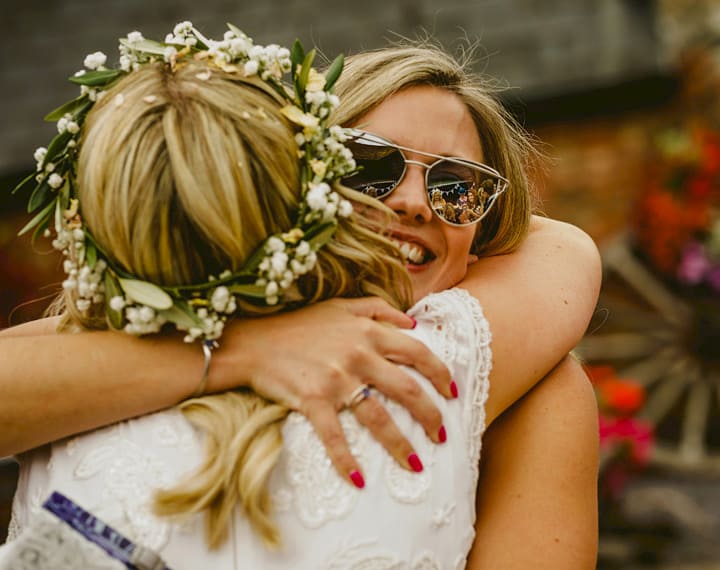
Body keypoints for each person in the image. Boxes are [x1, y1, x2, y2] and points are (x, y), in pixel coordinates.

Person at [1, 25, 602, 568]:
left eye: (458, 188)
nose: (415, 202)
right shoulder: (102, 347)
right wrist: (245, 345)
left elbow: (560, 246)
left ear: (483, 234)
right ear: (290, 181)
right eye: (369, 164)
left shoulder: (510, 381)